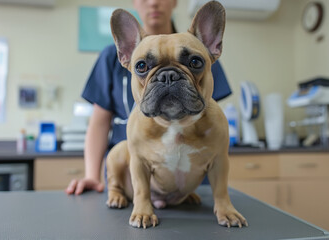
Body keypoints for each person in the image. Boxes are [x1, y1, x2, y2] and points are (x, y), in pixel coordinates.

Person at [65, 0, 232, 195]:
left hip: (192, 180)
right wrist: (92, 176)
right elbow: (99, 123)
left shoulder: (199, 49)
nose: (153, 2)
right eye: (143, 67)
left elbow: (213, 122)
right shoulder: (111, 56)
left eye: (193, 63)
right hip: (133, 176)